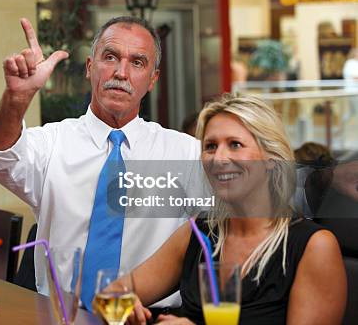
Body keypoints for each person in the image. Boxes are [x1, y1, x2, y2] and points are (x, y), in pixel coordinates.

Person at [0, 16, 203, 311]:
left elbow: (240, 220)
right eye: (110, 57)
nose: (121, 72)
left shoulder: (185, 154)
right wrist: (18, 98)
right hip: (61, 316)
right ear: (89, 67)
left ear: (153, 79)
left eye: (137, 62)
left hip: (149, 316)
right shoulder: (53, 144)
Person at [125, 94, 346, 325]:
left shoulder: (314, 246)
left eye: (235, 145)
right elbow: (116, 292)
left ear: (271, 158)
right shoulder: (199, 232)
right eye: (210, 146)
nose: (219, 158)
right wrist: (126, 305)